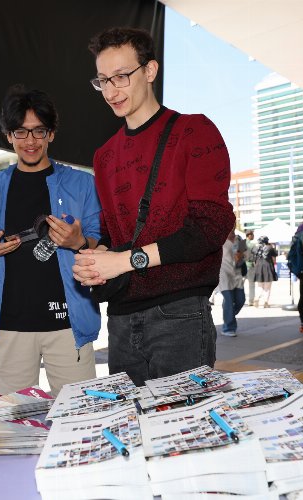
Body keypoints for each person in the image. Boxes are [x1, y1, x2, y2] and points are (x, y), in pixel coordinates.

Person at [73, 28, 234, 386]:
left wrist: (122, 261)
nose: (111, 91)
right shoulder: (104, 155)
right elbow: (113, 233)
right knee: (132, 431)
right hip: (121, 316)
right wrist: (95, 259)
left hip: (180, 314)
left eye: (121, 77)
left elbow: (210, 227)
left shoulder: (195, 131)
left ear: (149, 71)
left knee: (185, 434)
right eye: (102, 81)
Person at [0, 85, 101, 396]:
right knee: (14, 427)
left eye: (38, 131)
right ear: (9, 135)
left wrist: (79, 241)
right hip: (10, 326)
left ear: (51, 134)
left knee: (76, 420)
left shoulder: (81, 184)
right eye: (21, 132)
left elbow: (99, 241)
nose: (30, 141)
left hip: (69, 326)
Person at [219, 227, 245, 337]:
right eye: (230, 230)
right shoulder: (219, 241)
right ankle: (228, 327)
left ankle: (228, 315)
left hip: (237, 275)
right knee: (229, 301)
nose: (232, 233)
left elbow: (247, 256)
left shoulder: (240, 241)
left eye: (233, 230)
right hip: (224, 275)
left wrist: (241, 255)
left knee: (240, 300)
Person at [253, 236, 278, 308]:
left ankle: (257, 299)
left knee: (259, 285)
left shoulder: (255, 248)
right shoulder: (270, 247)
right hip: (268, 267)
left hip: (258, 267)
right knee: (267, 286)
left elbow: (253, 258)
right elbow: (275, 255)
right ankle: (266, 302)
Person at [244, 230, 257, 305]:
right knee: (251, 284)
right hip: (250, 266)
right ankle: (251, 301)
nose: (253, 236)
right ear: (249, 235)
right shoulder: (252, 245)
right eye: (253, 235)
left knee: (240, 284)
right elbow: (256, 255)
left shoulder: (242, 243)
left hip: (241, 266)